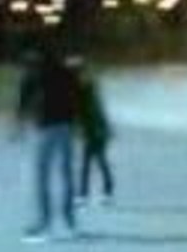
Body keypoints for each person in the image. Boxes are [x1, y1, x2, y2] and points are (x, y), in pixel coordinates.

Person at [13, 45, 83, 241]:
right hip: (65, 126)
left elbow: (23, 100)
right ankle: (69, 222)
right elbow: (77, 96)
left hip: (45, 127)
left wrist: (18, 125)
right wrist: (78, 123)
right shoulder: (66, 71)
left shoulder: (32, 72)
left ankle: (45, 224)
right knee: (65, 173)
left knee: (42, 176)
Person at [75, 59, 115, 207]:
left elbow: (95, 113)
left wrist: (100, 130)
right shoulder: (85, 88)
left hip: (96, 131)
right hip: (93, 131)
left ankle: (103, 192)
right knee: (92, 162)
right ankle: (89, 194)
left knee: (98, 161)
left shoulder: (87, 89)